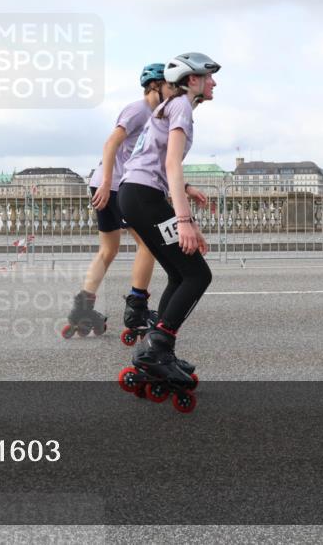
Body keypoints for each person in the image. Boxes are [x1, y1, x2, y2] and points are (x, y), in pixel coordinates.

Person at [117, 52, 218, 398]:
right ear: (193, 81)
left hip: (138, 194)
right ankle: (156, 349)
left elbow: (156, 163)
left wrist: (185, 199)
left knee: (180, 273)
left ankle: (159, 348)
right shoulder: (182, 107)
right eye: (209, 77)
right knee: (198, 274)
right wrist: (185, 221)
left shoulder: (169, 107)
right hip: (144, 197)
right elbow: (172, 164)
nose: (214, 83)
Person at [62, 64, 167, 339]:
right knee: (149, 244)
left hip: (109, 184)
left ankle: (82, 309)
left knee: (108, 251)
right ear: (155, 86)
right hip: (117, 185)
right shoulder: (138, 110)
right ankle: (137, 309)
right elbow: (111, 143)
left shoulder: (156, 115)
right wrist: (108, 183)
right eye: (168, 86)